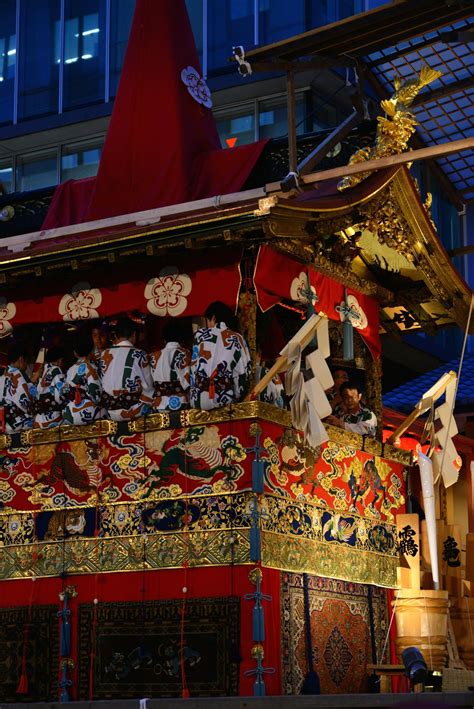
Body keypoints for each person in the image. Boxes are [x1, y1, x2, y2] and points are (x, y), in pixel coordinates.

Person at [190, 301, 251, 410]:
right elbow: (243, 371)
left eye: (207, 320)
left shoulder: (199, 336)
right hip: (225, 398)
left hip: (198, 400)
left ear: (213, 318)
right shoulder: (237, 338)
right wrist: (238, 395)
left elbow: (193, 369)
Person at [98, 316, 154, 421]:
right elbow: (149, 386)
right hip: (134, 411)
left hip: (110, 412)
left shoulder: (104, 354)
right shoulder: (139, 354)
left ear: (116, 335)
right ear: (133, 335)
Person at [150, 319, 191, 411]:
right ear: (182, 338)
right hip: (180, 403)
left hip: (158, 404)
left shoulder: (153, 356)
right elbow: (187, 382)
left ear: (164, 339)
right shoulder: (184, 353)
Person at [63, 329, 103, 426]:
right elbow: (95, 395)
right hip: (87, 412)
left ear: (75, 353)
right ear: (91, 350)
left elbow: (64, 392)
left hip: (70, 414)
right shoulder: (91, 367)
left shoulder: (70, 370)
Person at [2, 344, 37, 432]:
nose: (26, 366)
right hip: (10, 423)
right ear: (21, 359)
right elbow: (27, 401)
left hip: (2, 419)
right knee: (37, 419)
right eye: (26, 362)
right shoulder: (19, 374)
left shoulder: (3, 373)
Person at [33, 346, 66, 429]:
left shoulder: (43, 370)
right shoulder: (56, 370)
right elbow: (61, 395)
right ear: (60, 360)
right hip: (53, 419)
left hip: (39, 420)